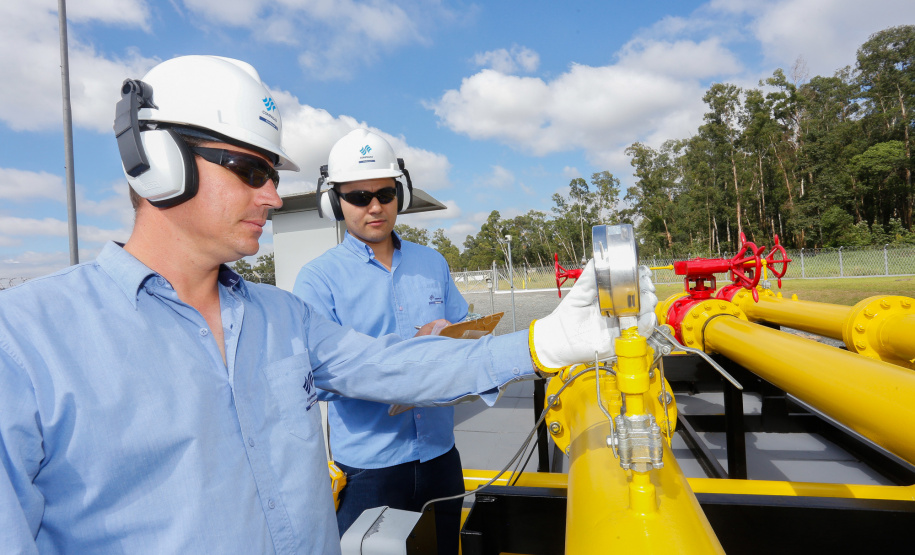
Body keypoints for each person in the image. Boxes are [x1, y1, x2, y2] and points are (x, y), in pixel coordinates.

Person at [0, 55, 647, 554]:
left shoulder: (282, 320)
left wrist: (544, 342)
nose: (272, 197)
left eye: (273, 176)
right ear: (159, 162)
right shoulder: (27, 344)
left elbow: (402, 368)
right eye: (250, 172)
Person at [293, 129, 467, 552]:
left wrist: (452, 340)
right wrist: (405, 369)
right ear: (335, 202)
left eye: (385, 194)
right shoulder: (318, 280)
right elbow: (319, 376)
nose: (375, 207)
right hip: (370, 469)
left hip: (440, 454)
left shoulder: (432, 262)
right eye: (358, 197)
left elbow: (465, 334)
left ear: (399, 196)